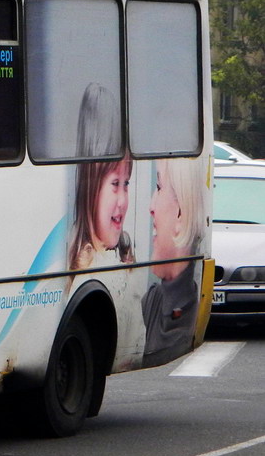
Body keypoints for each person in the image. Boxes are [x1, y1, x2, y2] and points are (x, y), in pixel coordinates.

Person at [142, 158, 206, 365]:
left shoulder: (181, 313)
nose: (151, 207)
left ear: (181, 214)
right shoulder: (152, 299)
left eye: (159, 187)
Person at [68, 83, 135, 271]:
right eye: (115, 184)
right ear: (91, 187)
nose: (123, 201)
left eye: (126, 183)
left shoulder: (125, 254)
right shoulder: (80, 264)